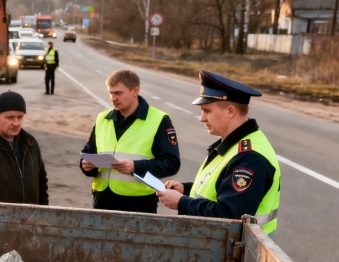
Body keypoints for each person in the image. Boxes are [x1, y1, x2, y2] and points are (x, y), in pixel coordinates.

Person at [158, 71, 280, 235]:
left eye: (207, 111)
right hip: (218, 246)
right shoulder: (233, 143)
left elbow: (229, 215)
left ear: (230, 111)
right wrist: (186, 190)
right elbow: (222, 189)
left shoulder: (250, 158)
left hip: (238, 253)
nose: (201, 118)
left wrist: (182, 202)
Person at [80, 69, 180, 214]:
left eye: (118, 93)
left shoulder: (159, 120)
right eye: (110, 93)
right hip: (102, 200)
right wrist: (87, 166)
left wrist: (136, 166)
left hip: (139, 204)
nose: (113, 98)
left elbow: (171, 164)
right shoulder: (102, 118)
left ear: (135, 90)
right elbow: (88, 152)